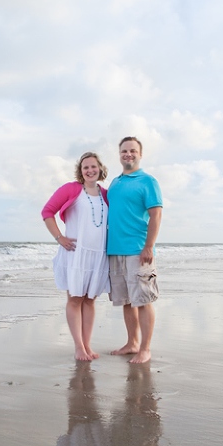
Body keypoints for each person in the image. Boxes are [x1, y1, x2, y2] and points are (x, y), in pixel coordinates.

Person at [42, 152, 111, 361]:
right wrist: (59, 237)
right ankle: (79, 347)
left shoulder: (107, 194)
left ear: (100, 168)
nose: (90, 170)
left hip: (98, 255)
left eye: (93, 166)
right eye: (85, 167)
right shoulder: (71, 189)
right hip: (76, 254)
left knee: (90, 300)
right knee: (75, 299)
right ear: (80, 171)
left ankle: (88, 345)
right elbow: (47, 212)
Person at [107, 137, 162, 364]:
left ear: (140, 154)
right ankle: (132, 343)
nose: (128, 154)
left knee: (143, 300)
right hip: (115, 251)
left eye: (132, 151)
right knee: (127, 301)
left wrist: (148, 246)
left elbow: (156, 215)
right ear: (119, 154)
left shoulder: (148, 181)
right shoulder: (115, 183)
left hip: (138, 250)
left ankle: (145, 349)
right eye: (124, 151)